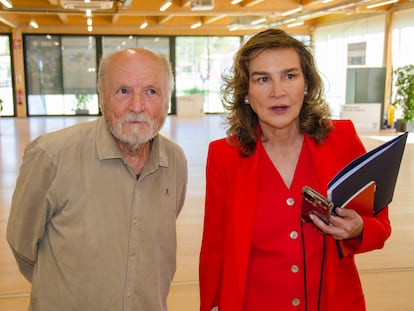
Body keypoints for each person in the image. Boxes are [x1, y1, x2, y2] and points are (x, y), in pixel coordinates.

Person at [199, 29, 391, 311]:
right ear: (246, 92)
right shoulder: (224, 155)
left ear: (306, 83)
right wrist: (212, 305)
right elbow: (214, 246)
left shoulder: (343, 139)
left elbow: (379, 224)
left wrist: (358, 228)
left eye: (290, 76)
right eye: (263, 79)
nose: (278, 92)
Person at [7, 48, 188, 311]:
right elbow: (22, 245)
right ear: (102, 97)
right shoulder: (51, 156)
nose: (137, 106)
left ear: (167, 100)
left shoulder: (175, 160)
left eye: (151, 92)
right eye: (123, 91)